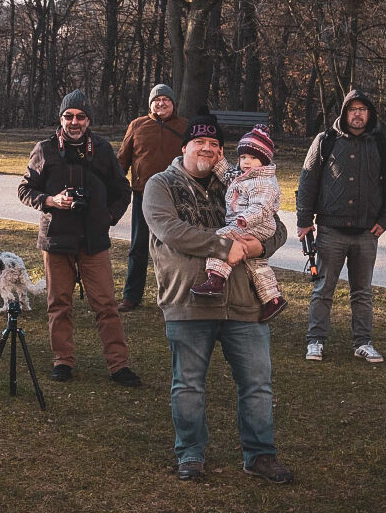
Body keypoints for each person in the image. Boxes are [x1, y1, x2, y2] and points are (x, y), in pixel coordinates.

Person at [144, 112, 294, 484]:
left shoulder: (238, 182)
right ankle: (191, 454)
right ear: (185, 148)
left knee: (257, 384)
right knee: (189, 384)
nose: (207, 149)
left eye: (215, 145)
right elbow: (170, 230)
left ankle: (259, 455)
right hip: (187, 299)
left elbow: (276, 223)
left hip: (243, 301)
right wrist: (224, 246)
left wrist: (263, 243)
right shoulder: (161, 184)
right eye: (200, 142)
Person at [16, 90, 139, 386]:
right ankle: (63, 361)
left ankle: (118, 365)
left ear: (88, 120)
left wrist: (107, 217)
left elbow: (123, 190)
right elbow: (24, 189)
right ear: (60, 118)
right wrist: (50, 200)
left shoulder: (102, 149)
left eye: (81, 117)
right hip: (56, 239)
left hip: (93, 240)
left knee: (106, 305)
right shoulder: (45, 149)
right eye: (69, 116)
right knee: (58, 304)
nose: (74, 122)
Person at [296, 89, 386, 364]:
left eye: (362, 109)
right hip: (331, 230)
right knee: (322, 289)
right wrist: (305, 221)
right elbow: (308, 180)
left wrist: (385, 220)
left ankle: (363, 342)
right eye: (352, 109)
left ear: (370, 113)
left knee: (362, 292)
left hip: (367, 232)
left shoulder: (380, 142)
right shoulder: (325, 140)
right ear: (344, 112)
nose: (357, 114)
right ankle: (315, 341)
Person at [189, 123, 286, 323]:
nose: (246, 162)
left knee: (222, 238)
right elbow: (228, 176)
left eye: (253, 158)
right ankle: (273, 299)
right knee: (255, 263)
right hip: (248, 223)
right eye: (243, 157)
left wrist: (244, 220)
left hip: (255, 223)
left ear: (265, 160)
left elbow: (262, 207)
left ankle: (216, 279)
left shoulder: (265, 183)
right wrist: (218, 161)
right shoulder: (243, 177)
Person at [115, 83, 188, 312]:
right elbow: (122, 160)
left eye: (166, 99)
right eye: (156, 100)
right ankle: (131, 296)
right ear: (150, 104)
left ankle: (174, 296)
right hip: (143, 196)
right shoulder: (137, 125)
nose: (161, 103)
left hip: (177, 197)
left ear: (173, 104)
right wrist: (116, 185)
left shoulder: (184, 126)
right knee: (138, 247)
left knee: (175, 247)